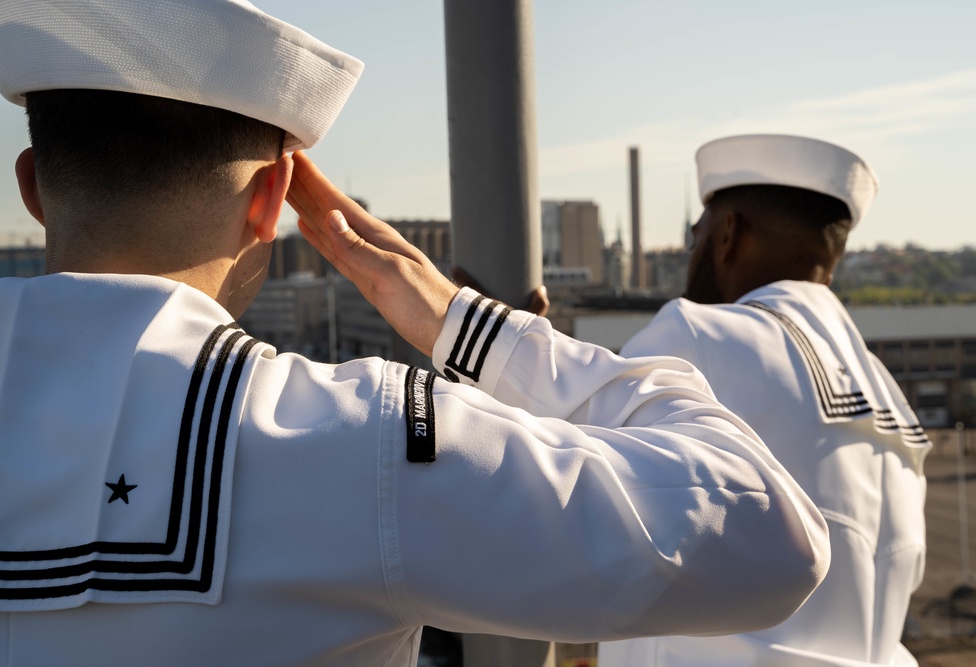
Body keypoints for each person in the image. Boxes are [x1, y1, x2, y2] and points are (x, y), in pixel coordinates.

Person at [0, 2, 831, 664]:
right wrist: (465, 325)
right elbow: (771, 535)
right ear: (270, 201)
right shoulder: (358, 443)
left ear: (33, 186)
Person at [599, 134, 932, 667]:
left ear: (727, 233)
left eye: (696, 233)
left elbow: (564, 480)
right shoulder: (891, 401)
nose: (692, 250)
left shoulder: (698, 336)